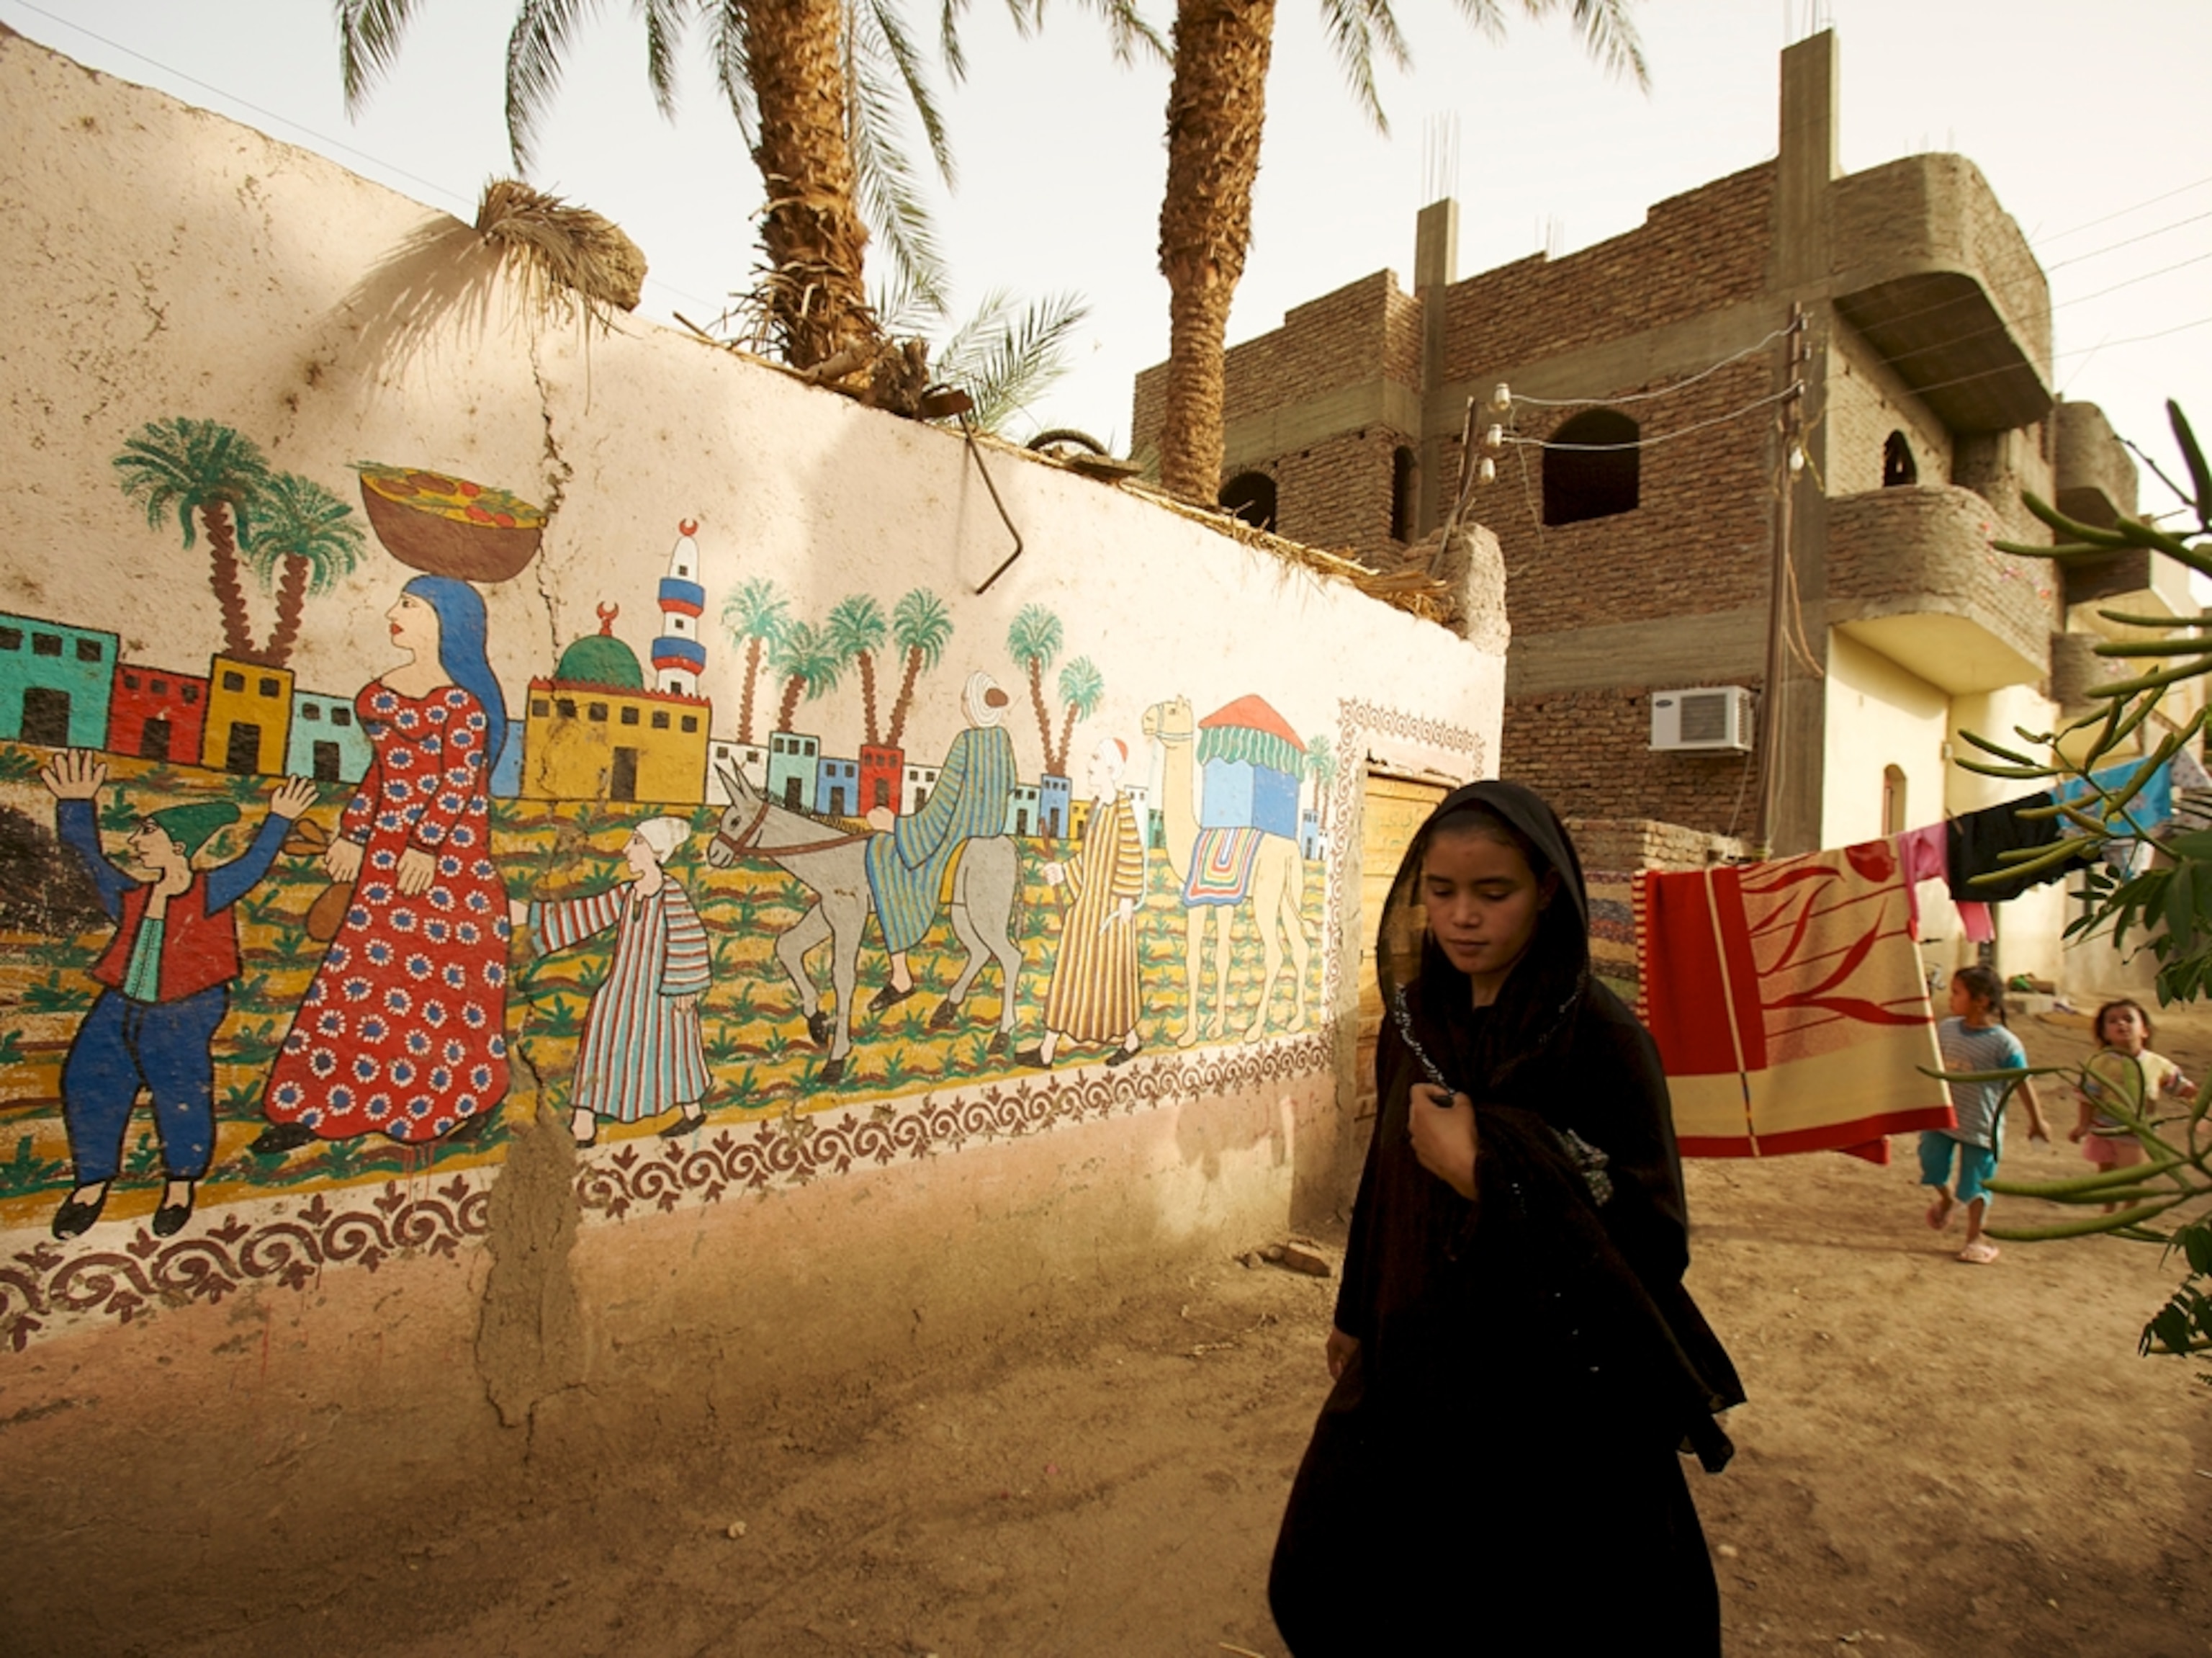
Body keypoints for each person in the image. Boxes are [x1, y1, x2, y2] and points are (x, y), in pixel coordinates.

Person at [1268, 781, 1743, 1654]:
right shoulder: (1415, 1022)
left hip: (1549, 1389)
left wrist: (1488, 1169)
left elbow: (1654, 1235)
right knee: (1323, 1575)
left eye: (1495, 893)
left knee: (1538, 1603)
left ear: (1548, 891)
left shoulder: (1602, 1040)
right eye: (1442, 892)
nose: (1463, 918)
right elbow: (1385, 1180)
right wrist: (1355, 1311)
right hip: (1416, 1351)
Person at [253, 575, 512, 1152]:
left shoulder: (463, 706)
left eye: (410, 605)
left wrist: (425, 846)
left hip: (449, 867)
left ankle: (459, 1099)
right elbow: (383, 774)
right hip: (387, 855)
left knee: (441, 991)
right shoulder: (382, 693)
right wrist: (353, 832)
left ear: (446, 622)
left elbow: (459, 784)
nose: (393, 613)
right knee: (361, 977)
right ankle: (317, 1106)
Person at [40, 750, 317, 1239]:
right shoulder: (132, 894)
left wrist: (280, 818)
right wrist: (77, 804)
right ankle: (91, 1182)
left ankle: (180, 1186)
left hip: (186, 1007)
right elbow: (89, 861)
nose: (138, 841)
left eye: (149, 832)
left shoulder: (210, 890)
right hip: (122, 1001)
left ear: (179, 846)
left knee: (181, 1092)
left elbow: (252, 865)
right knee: (89, 1080)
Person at [513, 816, 712, 1145]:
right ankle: (583, 1124)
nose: (626, 849)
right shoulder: (627, 894)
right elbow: (583, 915)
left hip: (665, 992)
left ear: (656, 851)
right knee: (602, 1037)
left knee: (675, 1051)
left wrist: (686, 989)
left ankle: (692, 1111)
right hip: (622, 988)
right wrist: (526, 915)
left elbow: (690, 940)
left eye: (636, 842)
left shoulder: (672, 896)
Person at [862, 670, 1016, 1008]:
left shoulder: (966, 742)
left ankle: (900, 975)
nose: (962, 702)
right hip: (989, 834)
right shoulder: (1003, 742)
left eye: (965, 697)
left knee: (883, 850)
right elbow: (1008, 790)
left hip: (954, 840)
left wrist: (896, 826)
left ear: (974, 705)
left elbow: (941, 809)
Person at [1017, 736, 1146, 1070]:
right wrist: (1063, 871)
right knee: (1070, 972)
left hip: (1111, 913)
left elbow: (1132, 856)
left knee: (1112, 979)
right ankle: (1047, 1048)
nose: (1089, 766)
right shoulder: (1096, 808)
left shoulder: (1122, 810)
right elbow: (1089, 859)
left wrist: (1127, 899)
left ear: (1111, 768)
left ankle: (1130, 1040)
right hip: (1087, 906)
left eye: (1095, 759)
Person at [1922, 964, 2049, 1263]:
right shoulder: (1947, 1029)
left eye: (1957, 993)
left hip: (1981, 1125)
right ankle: (1946, 1200)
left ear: (1981, 1000)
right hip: (1943, 1119)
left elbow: (2022, 1081)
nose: (1951, 998)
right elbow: (1931, 1060)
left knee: (1977, 1183)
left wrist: (2037, 1120)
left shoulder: (2005, 1043)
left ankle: (1976, 1237)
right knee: (1931, 1163)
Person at [2070, 999, 2194, 1204]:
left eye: (2128, 1019)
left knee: (2133, 1177)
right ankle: (2108, 1211)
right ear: (2104, 1033)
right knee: (2106, 1175)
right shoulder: (2098, 1063)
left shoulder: (2158, 1064)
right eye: (2112, 1021)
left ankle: (2131, 1213)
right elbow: (2087, 1096)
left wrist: (2200, 1100)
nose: (2121, 1024)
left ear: (2145, 1030)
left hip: (2138, 1132)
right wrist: (2083, 1125)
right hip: (2104, 1129)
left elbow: (2182, 1087)